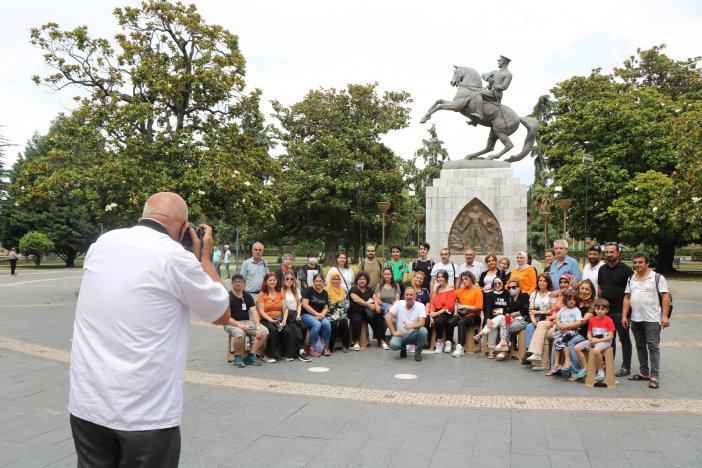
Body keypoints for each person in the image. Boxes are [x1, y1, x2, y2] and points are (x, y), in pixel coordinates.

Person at [69, 192, 230, 467]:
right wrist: (203, 257)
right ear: (183, 229)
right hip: (144, 412)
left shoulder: (103, 243)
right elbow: (221, 312)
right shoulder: (174, 256)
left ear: (142, 216)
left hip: (88, 403)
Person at [623, 252, 670, 389]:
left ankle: (654, 375)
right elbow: (627, 297)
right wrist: (624, 316)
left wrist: (665, 316)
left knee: (653, 346)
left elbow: (665, 296)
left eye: (640, 262)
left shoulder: (657, 277)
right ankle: (644, 372)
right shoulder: (631, 278)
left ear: (647, 263)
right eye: (635, 262)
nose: (637, 265)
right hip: (636, 318)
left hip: (652, 318)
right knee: (640, 345)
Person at [597, 242, 634, 377]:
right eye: (607, 252)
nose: (609, 255)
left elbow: (630, 293)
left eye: (612, 252)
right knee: (608, 340)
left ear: (618, 253)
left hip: (621, 312)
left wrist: (626, 314)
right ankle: (608, 364)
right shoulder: (602, 269)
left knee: (624, 339)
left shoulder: (627, 270)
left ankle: (626, 367)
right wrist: (599, 306)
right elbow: (600, 288)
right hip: (606, 312)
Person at [526, 274, 572, 367]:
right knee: (540, 325)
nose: (562, 284)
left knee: (545, 331)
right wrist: (552, 317)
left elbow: (567, 313)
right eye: (561, 282)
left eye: (565, 282)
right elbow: (554, 310)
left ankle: (542, 362)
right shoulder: (559, 294)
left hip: (564, 325)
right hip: (553, 320)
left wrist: (553, 318)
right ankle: (537, 356)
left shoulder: (572, 296)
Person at [223, 274, 267, 368]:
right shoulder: (227, 297)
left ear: (243, 283)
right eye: (235, 281)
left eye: (240, 281)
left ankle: (251, 355)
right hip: (231, 323)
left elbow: (254, 312)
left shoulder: (247, 296)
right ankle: (237, 357)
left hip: (247, 322)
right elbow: (226, 317)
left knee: (264, 331)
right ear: (232, 284)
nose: (238, 283)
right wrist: (238, 325)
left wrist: (258, 327)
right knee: (239, 333)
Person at [574, 298, 615, 382]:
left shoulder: (609, 320)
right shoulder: (592, 320)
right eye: (598, 309)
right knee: (577, 347)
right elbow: (589, 333)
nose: (599, 311)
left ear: (607, 310)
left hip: (605, 341)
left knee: (596, 350)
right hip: (594, 340)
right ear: (595, 309)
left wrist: (598, 341)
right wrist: (590, 338)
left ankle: (600, 370)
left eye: (602, 309)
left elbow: (610, 337)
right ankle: (585, 367)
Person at [491, 277, 530, 360]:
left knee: (506, 327)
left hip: (523, 320)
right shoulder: (509, 298)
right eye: (509, 287)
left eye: (514, 287)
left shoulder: (524, 295)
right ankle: (504, 344)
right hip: (511, 320)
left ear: (519, 287)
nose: (511, 289)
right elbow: (507, 310)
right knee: (503, 320)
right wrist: (508, 315)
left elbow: (526, 310)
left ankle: (504, 350)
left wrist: (515, 314)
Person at [386, 286, 428, 361]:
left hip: (414, 334)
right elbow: (388, 317)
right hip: (401, 334)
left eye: (411, 295)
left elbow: (422, 323)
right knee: (393, 345)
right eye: (407, 295)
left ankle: (418, 352)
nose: (408, 297)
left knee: (423, 331)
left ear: (415, 296)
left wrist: (410, 326)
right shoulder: (398, 303)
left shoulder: (421, 306)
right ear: (404, 296)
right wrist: (393, 332)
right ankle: (403, 348)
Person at [545, 289, 582, 376]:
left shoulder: (576, 310)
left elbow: (579, 322)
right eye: (569, 299)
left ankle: (567, 360)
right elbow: (557, 318)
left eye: (573, 299)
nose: (571, 301)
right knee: (557, 341)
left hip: (572, 330)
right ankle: (556, 364)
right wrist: (559, 324)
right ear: (565, 300)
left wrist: (566, 327)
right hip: (562, 329)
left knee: (565, 339)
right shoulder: (563, 309)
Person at [566, 280, 596, 381]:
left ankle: (577, 371)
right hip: (574, 330)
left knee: (571, 343)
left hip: (585, 332)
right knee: (559, 339)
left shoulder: (593, 304)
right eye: (582, 288)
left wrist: (566, 327)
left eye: (587, 289)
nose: (583, 291)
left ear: (591, 291)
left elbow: (584, 321)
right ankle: (557, 366)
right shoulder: (576, 301)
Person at [473, 277, 509, 359]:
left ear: (503, 284)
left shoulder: (507, 294)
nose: (497, 285)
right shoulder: (489, 294)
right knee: (493, 325)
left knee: (501, 317)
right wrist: (488, 319)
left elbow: (508, 307)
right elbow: (488, 308)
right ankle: (490, 349)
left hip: (504, 317)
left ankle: (487, 344)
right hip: (492, 318)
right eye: (495, 283)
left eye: (499, 283)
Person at [347, 271, 384, 351]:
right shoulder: (353, 289)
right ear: (357, 280)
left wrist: (377, 306)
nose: (362, 281)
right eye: (360, 279)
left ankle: (380, 340)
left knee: (378, 319)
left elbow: (375, 298)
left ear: (367, 281)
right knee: (357, 320)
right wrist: (368, 305)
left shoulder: (369, 289)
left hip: (368, 312)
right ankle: (356, 342)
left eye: (364, 279)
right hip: (355, 311)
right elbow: (357, 300)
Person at [450, 271, 483, 357]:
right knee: (450, 322)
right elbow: (454, 294)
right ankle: (449, 342)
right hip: (462, 314)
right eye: (462, 279)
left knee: (462, 322)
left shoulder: (477, 290)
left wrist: (465, 306)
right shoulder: (463, 289)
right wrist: (449, 288)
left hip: (475, 316)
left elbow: (478, 308)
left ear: (471, 279)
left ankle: (460, 347)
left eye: (466, 279)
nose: (464, 281)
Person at [524, 273, 556, 362]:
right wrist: (533, 319)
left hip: (547, 318)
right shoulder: (534, 294)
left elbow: (552, 311)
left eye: (544, 281)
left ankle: (534, 353)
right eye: (540, 281)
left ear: (548, 283)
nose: (542, 283)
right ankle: (529, 351)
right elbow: (531, 310)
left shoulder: (551, 294)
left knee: (540, 327)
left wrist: (539, 312)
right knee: (530, 326)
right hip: (536, 318)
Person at [256, 273, 287, 363]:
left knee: (287, 330)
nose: (272, 282)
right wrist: (271, 320)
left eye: (274, 280)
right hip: (265, 319)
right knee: (273, 330)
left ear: (277, 281)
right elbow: (261, 311)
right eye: (270, 280)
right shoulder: (262, 294)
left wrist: (284, 320)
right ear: (266, 282)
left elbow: (285, 309)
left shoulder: (281, 293)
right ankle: (268, 355)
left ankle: (285, 353)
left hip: (279, 318)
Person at [281, 271, 311, 362]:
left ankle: (294, 351)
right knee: (293, 326)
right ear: (283, 280)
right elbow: (284, 307)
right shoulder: (281, 291)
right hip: (285, 314)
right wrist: (294, 315)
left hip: (295, 314)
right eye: (287, 278)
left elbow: (299, 304)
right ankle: (301, 350)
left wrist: (298, 314)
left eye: (291, 279)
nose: (289, 280)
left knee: (303, 326)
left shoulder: (296, 290)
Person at [471, 55, 513, 120]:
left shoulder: (508, 74)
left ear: (504, 62)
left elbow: (504, 86)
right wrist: (488, 78)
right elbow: (483, 75)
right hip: (489, 92)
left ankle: (479, 114)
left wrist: (494, 86)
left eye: (500, 61)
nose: (498, 62)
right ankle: (474, 121)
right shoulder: (495, 72)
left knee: (478, 93)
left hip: (496, 94)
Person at [301, 274, 332, 357]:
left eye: (320, 281)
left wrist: (322, 314)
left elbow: (326, 306)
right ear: (313, 282)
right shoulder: (308, 290)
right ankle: (311, 348)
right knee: (317, 324)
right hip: (307, 314)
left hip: (320, 315)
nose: (318, 283)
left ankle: (326, 346)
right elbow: (305, 305)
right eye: (316, 281)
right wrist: (317, 314)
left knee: (327, 323)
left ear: (323, 282)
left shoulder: (325, 292)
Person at [428, 270, 457, 353]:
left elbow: (449, 306)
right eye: (438, 277)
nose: (440, 278)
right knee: (424, 319)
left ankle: (439, 343)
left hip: (446, 313)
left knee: (439, 321)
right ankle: (426, 342)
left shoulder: (450, 290)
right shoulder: (436, 290)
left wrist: (435, 314)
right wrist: (430, 315)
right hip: (435, 311)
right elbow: (431, 303)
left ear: (446, 278)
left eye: (442, 277)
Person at [326, 271, 351, 352]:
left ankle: (345, 345)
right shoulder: (325, 290)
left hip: (341, 313)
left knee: (343, 321)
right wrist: (332, 313)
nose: (336, 281)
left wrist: (339, 313)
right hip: (329, 313)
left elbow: (347, 303)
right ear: (330, 280)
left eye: (338, 279)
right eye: (333, 279)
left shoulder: (343, 290)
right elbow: (324, 304)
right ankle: (330, 346)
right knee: (332, 323)